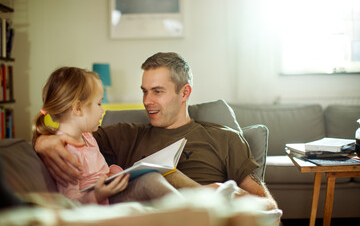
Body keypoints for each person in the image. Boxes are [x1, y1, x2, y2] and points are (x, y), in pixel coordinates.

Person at [34, 53, 278, 210]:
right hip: (154, 215)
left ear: (185, 93)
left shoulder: (224, 138)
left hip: (214, 217)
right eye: (144, 91)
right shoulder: (126, 134)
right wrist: (42, 142)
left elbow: (266, 205)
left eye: (157, 91)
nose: (147, 101)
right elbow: (69, 129)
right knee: (160, 176)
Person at [32, 67, 180, 205]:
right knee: (150, 181)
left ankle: (192, 210)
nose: (103, 110)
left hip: (111, 192)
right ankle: (195, 213)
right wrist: (97, 195)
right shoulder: (66, 152)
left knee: (154, 177)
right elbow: (71, 201)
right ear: (77, 108)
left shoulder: (87, 137)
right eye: (99, 103)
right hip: (102, 203)